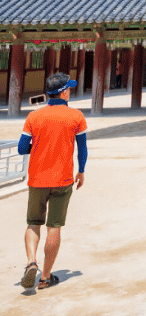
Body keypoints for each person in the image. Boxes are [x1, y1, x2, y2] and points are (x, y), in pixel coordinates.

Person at [18, 73, 87, 290]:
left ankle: (31, 262)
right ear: (65, 92)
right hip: (62, 180)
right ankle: (46, 277)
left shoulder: (34, 117)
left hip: (37, 179)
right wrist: (81, 171)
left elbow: (22, 148)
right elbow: (82, 150)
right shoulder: (76, 117)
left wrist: (38, 146)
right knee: (54, 227)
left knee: (33, 223)